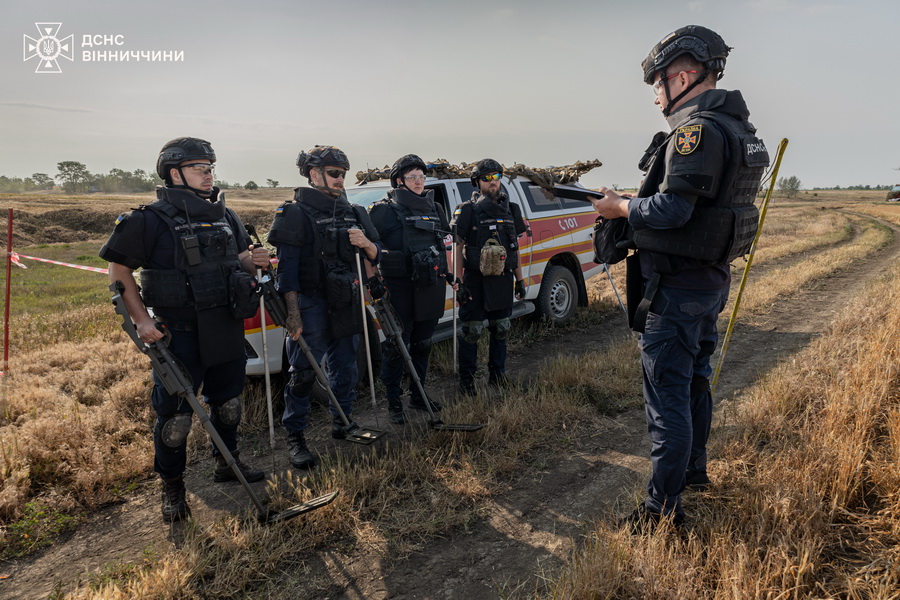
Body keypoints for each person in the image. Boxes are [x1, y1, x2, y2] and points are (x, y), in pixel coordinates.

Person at [590, 25, 769, 530]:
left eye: (658, 84)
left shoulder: (697, 130)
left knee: (668, 398)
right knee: (694, 385)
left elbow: (669, 211)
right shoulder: (735, 127)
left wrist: (621, 207)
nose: (656, 97)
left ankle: (660, 512)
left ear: (684, 75)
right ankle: (692, 472)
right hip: (706, 283)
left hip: (676, 290)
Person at [100, 137, 270, 523]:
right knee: (175, 418)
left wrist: (253, 259)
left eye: (211, 167)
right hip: (179, 331)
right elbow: (119, 271)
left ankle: (228, 463)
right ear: (174, 173)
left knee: (228, 405)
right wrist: (142, 321)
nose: (209, 174)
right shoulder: (147, 219)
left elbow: (240, 258)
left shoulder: (225, 215)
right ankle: (172, 487)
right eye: (200, 168)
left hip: (226, 325)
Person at [267, 145, 381, 469]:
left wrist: (366, 243)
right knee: (303, 375)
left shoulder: (355, 212)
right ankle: (295, 438)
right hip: (310, 303)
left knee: (346, 368)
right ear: (314, 174)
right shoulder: (294, 213)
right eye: (334, 173)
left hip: (346, 300)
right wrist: (293, 312)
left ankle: (342, 421)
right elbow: (286, 270)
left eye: (343, 174)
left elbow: (376, 253)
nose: (340, 179)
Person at [368, 154, 455, 424]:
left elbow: (443, 243)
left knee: (422, 343)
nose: (418, 182)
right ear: (399, 181)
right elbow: (370, 249)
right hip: (399, 288)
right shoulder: (384, 210)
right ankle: (394, 402)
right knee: (397, 345)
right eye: (412, 177)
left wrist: (449, 272)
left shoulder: (435, 207)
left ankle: (418, 395)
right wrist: (374, 281)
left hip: (430, 285)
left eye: (421, 177)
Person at [451, 158, 528, 396]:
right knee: (472, 331)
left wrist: (520, 280)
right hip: (475, 281)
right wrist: (458, 282)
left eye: (496, 177)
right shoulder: (467, 210)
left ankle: (498, 376)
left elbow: (514, 248)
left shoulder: (512, 209)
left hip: (502, 279)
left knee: (502, 328)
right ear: (477, 182)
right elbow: (457, 247)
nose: (493, 182)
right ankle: (467, 383)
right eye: (487, 178)